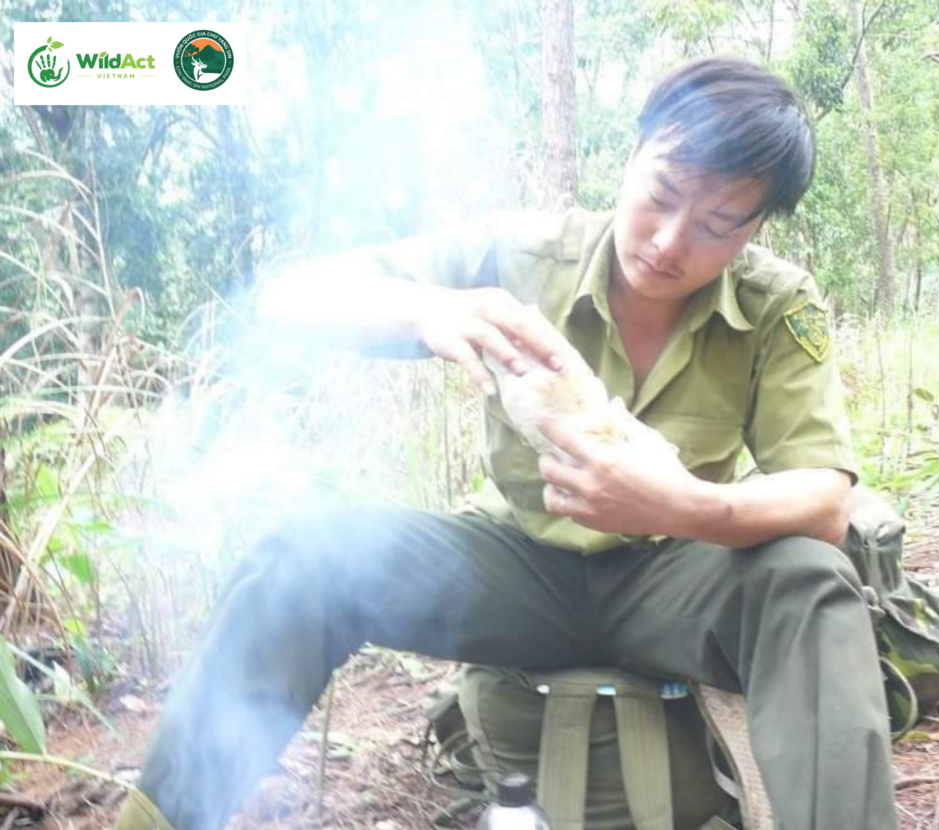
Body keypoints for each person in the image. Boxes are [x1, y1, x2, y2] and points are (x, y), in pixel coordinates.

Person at [113, 58, 898, 830]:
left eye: (718, 225)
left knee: (808, 577)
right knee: (305, 557)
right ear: (631, 156)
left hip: (674, 577)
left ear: (756, 226)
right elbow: (289, 299)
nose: (669, 240)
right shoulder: (524, 256)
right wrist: (425, 311)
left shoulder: (775, 305)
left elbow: (824, 500)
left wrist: (685, 504)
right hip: (512, 569)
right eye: (660, 194)